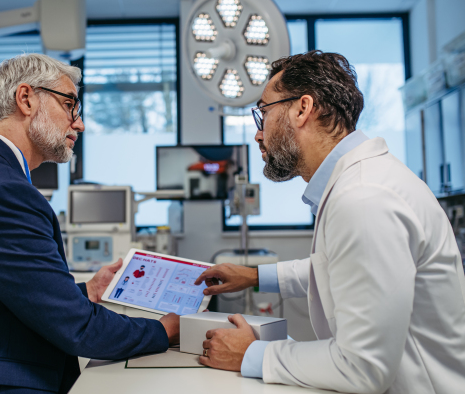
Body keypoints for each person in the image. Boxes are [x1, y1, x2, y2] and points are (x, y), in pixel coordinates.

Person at [0, 53, 179, 394]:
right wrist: (165, 330)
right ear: (26, 99)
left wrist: (85, 292)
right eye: (70, 104)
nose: (80, 123)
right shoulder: (3, 192)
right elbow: (78, 328)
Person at [194, 50, 465, 393]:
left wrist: (252, 354)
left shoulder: (364, 199)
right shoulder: (357, 184)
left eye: (263, 113)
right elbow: (341, 267)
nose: (258, 135)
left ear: (302, 108)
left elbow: (361, 368)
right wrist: (253, 276)